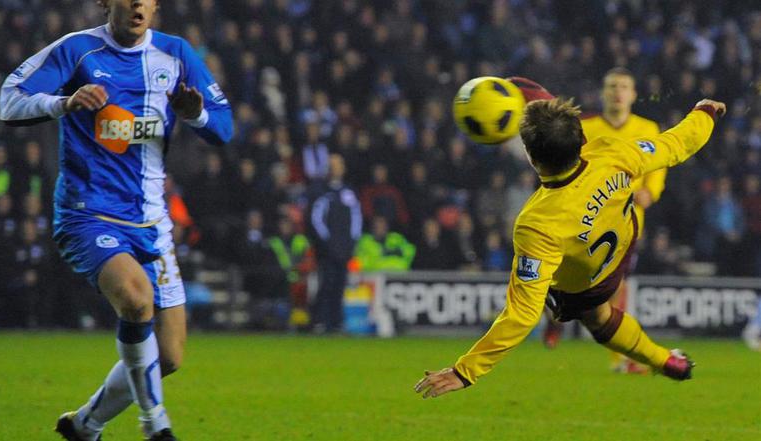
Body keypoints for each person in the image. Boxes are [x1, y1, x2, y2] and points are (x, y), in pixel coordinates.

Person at [0, 1, 233, 440]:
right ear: (107, 2)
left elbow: (223, 128)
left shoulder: (177, 54)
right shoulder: (78, 51)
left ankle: (86, 424)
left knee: (170, 355)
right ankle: (156, 424)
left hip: (151, 222)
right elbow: (10, 101)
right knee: (136, 299)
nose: (136, 5)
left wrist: (193, 114)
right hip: (89, 214)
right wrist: (64, 102)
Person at [415, 97, 725, 399]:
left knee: (597, 317)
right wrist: (705, 111)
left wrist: (465, 371)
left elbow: (522, 315)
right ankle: (669, 361)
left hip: (584, 281)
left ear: (532, 158)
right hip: (624, 243)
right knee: (600, 315)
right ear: (580, 137)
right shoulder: (611, 153)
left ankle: (660, 359)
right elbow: (678, 143)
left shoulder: (536, 223)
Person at [546, 68, 665, 374]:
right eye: (612, 86)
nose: (617, 92)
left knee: (614, 290)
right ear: (603, 92)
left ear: (633, 94)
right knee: (561, 280)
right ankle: (556, 318)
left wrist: (649, 192)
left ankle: (621, 359)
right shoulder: (585, 127)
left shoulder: (647, 128)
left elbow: (657, 169)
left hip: (623, 227)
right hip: (582, 221)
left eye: (624, 86)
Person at [310, 153, 362, 333]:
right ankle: (320, 321)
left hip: (344, 248)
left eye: (338, 164)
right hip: (327, 249)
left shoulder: (349, 192)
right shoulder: (322, 191)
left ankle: (336, 322)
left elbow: (357, 218)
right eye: (332, 165)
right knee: (326, 284)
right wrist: (326, 242)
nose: (336, 168)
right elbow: (316, 219)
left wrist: (351, 242)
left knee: (339, 285)